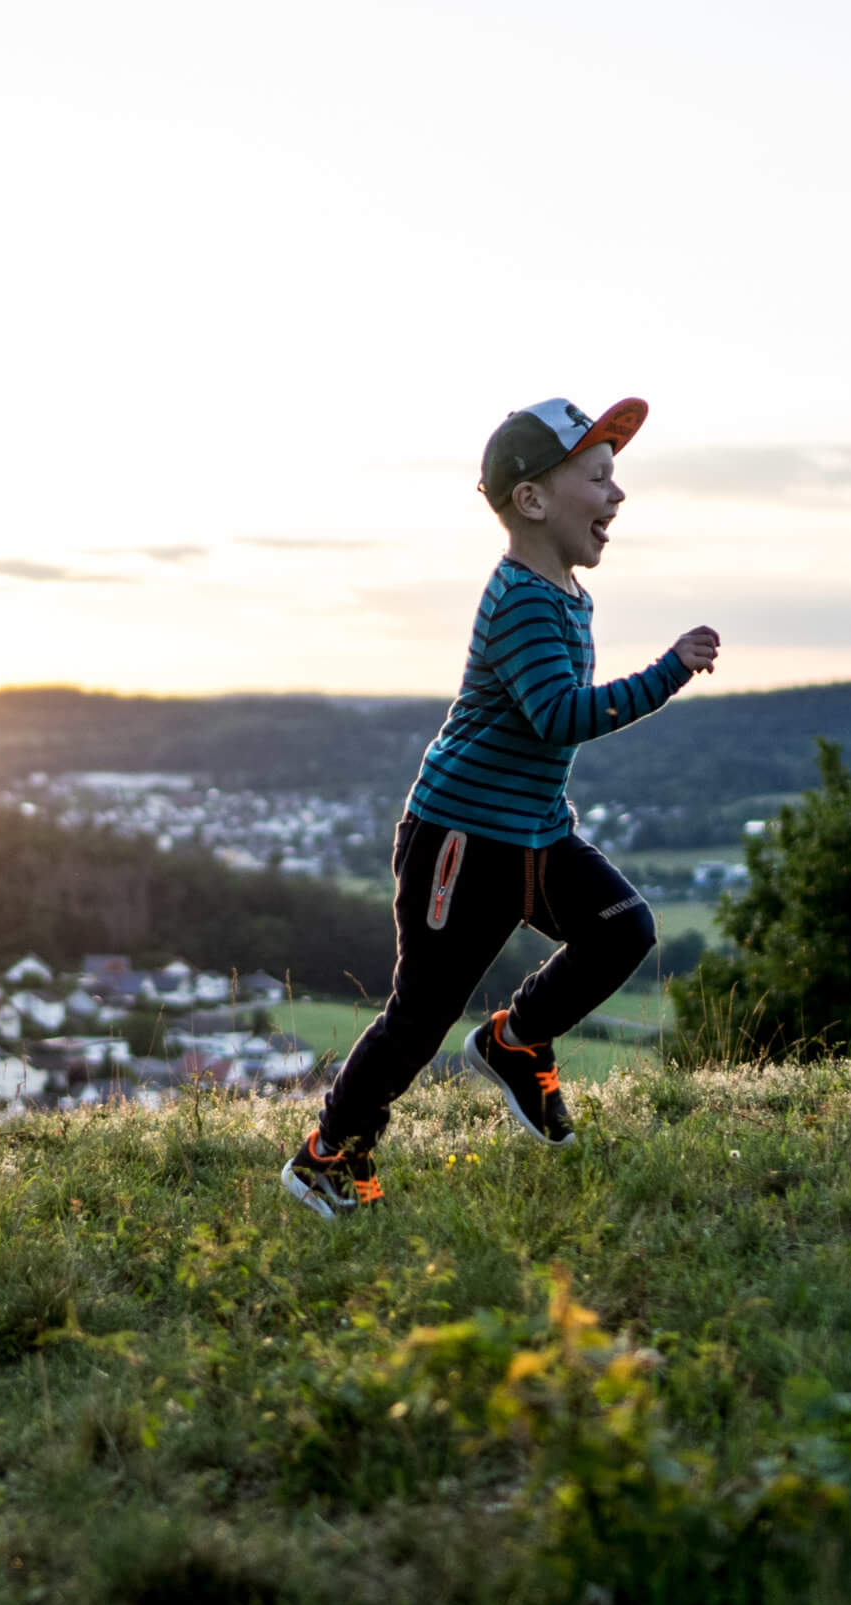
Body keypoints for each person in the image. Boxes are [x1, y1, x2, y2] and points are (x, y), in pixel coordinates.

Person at [281, 396, 720, 1221]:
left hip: (534, 832)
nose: (617, 494)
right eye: (598, 477)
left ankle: (516, 1040)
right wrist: (668, 671)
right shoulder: (520, 597)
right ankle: (328, 1153)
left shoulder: (566, 593)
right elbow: (557, 714)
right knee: (420, 1016)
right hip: (460, 840)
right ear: (532, 499)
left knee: (622, 927)